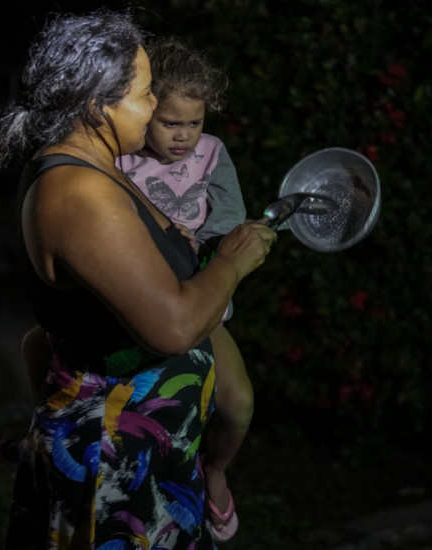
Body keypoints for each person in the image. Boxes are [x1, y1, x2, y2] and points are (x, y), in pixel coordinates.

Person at [0, 9, 276, 550]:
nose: (156, 105)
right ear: (98, 106)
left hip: (151, 449)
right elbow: (173, 327)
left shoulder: (100, 168)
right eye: (145, 94)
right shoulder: (79, 194)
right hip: (116, 464)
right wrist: (230, 261)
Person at [118, 36, 252, 543]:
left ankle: (215, 470)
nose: (183, 136)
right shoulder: (123, 160)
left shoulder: (212, 153)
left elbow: (230, 219)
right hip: (139, 304)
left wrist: (207, 243)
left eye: (194, 123)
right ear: (146, 111)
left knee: (239, 403)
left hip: (201, 304)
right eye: (170, 123)